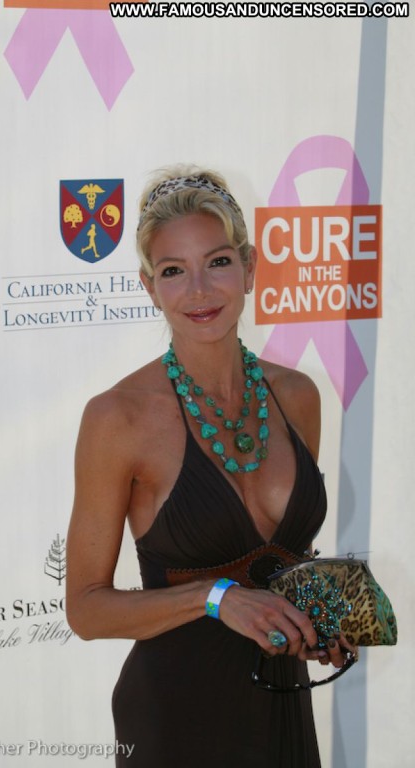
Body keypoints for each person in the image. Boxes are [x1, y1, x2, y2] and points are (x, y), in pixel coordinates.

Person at [66, 166, 350, 767]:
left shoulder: (297, 396)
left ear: (249, 267)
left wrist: (314, 617)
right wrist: (216, 597)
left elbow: (286, 563)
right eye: (173, 271)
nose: (198, 291)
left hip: (281, 707)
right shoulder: (118, 418)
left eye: (217, 262)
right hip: (176, 718)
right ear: (150, 287)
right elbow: (86, 609)